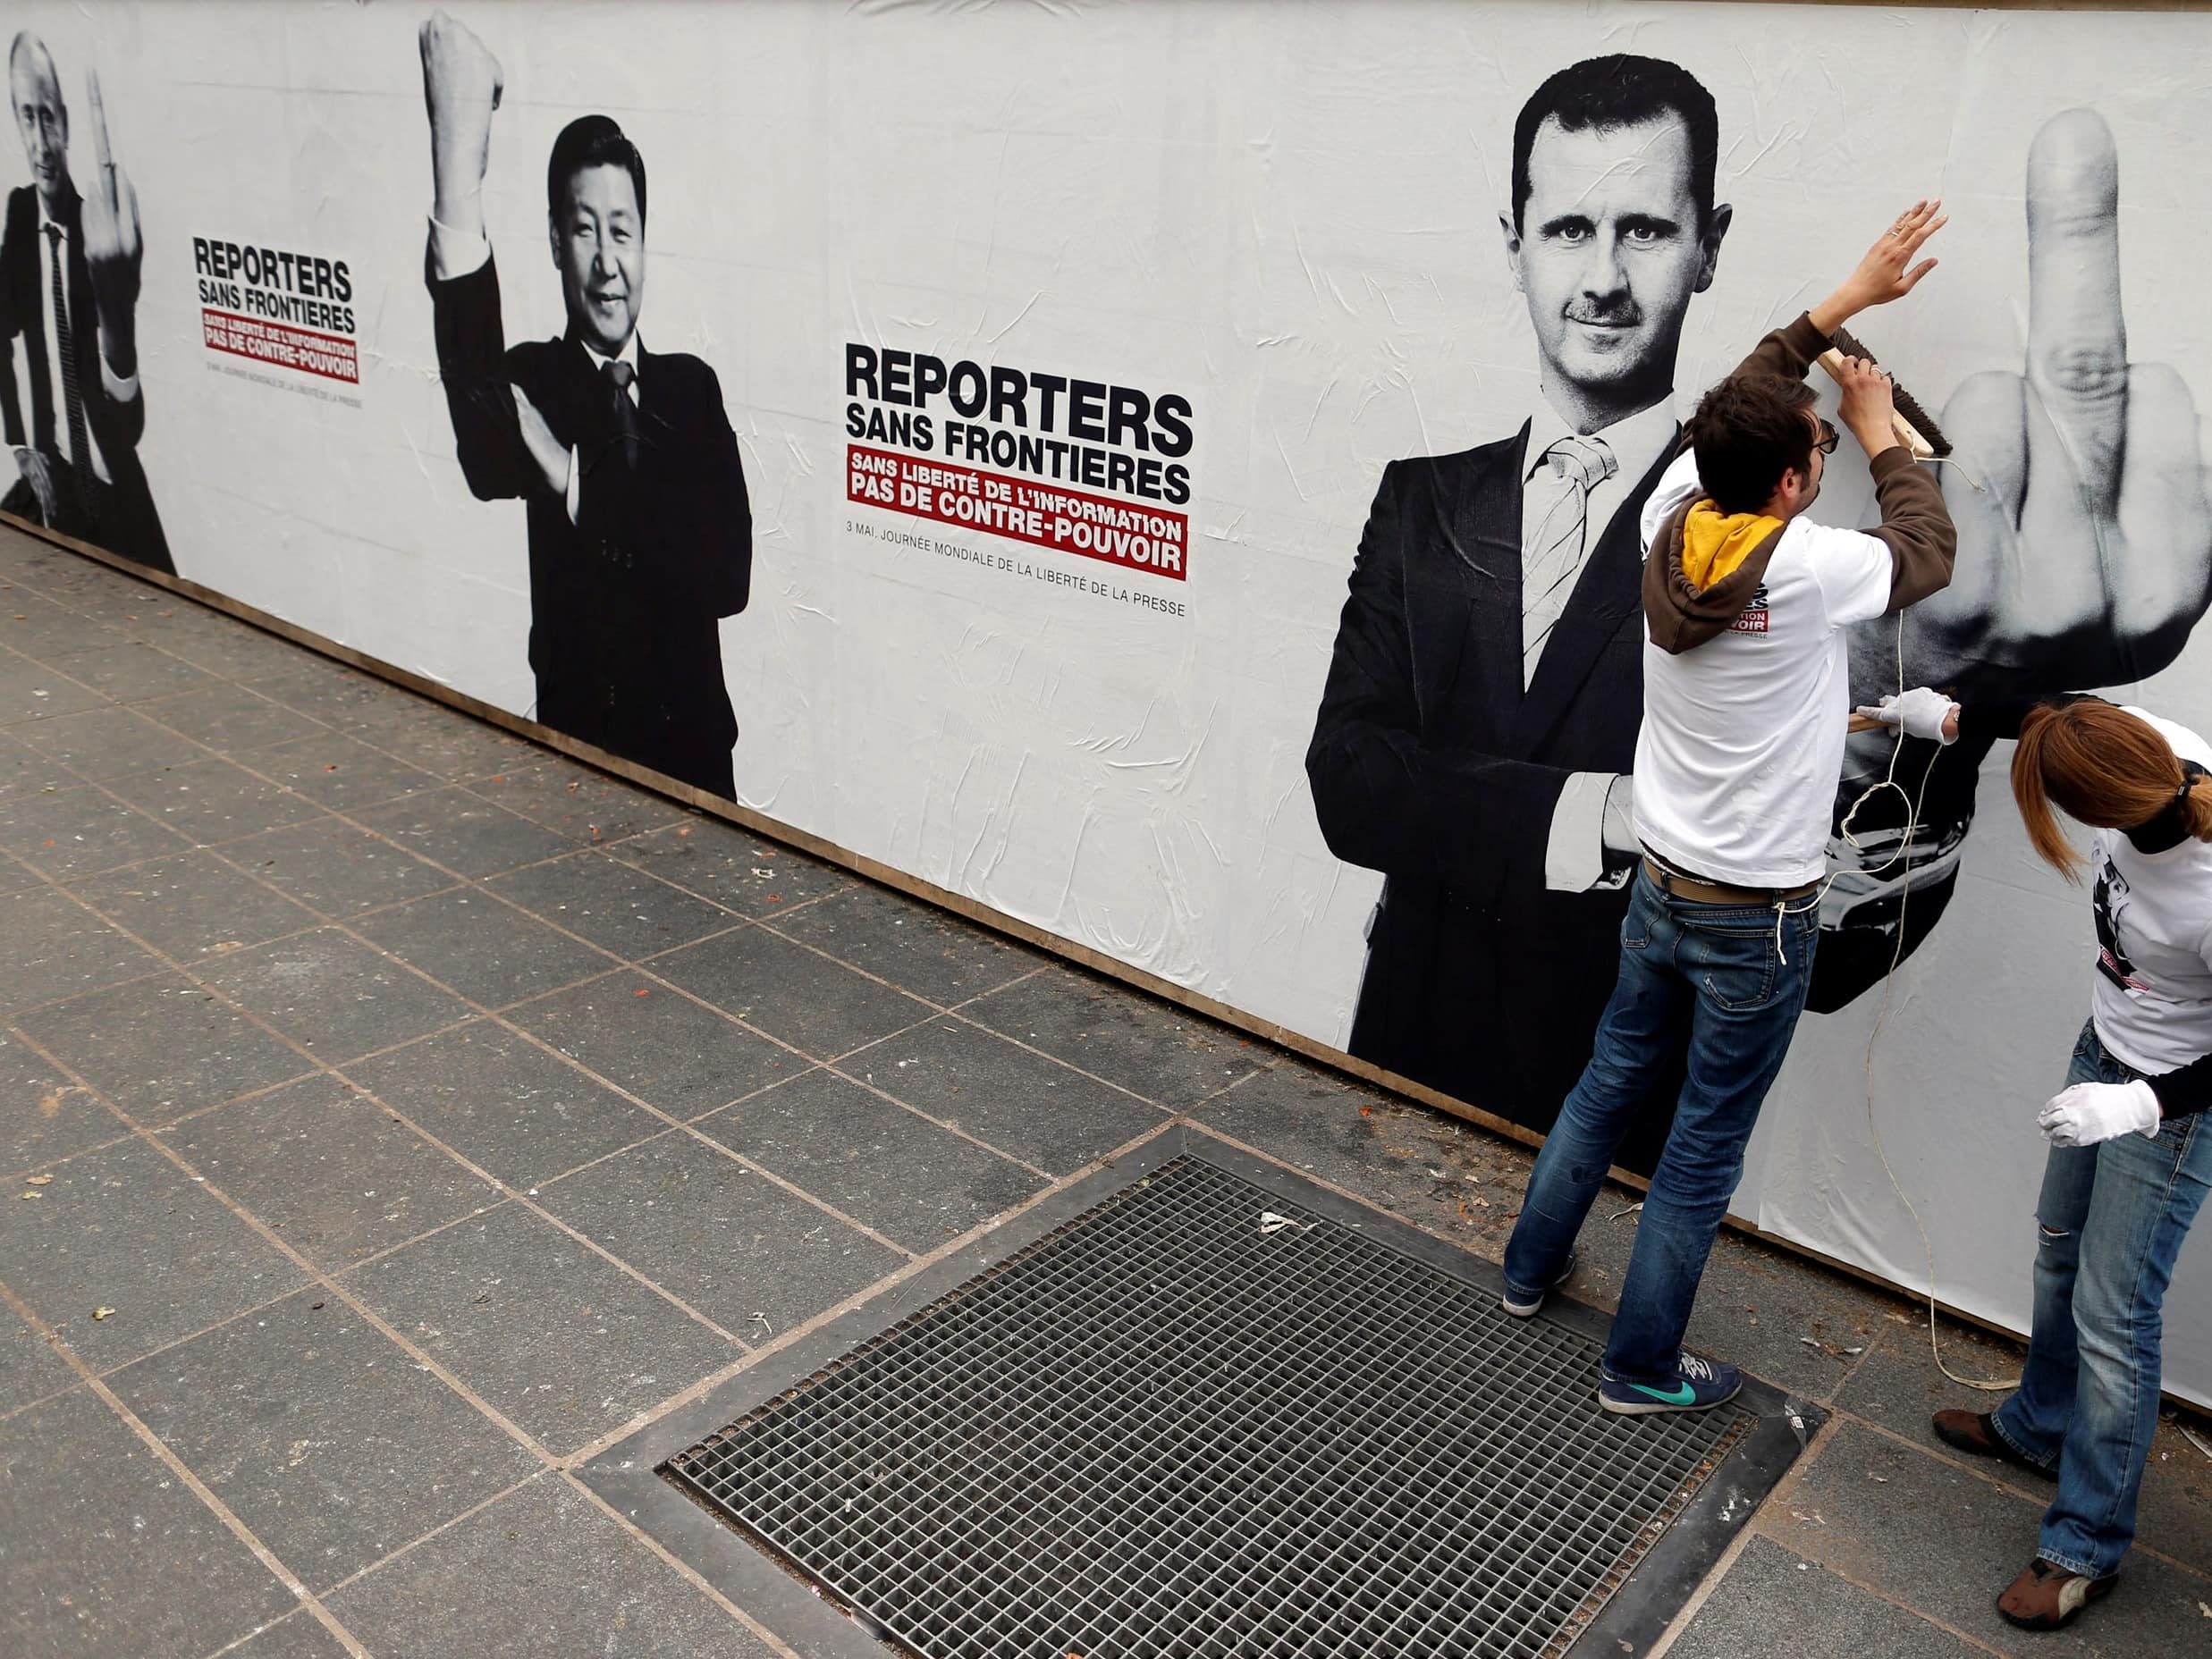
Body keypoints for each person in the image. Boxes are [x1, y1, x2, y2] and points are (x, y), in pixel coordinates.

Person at [1498, 203, 1959, 1415]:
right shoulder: (1808, 568)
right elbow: (1924, 551)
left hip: (1658, 882)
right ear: (1800, 483)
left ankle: (1526, 1272)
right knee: (1699, 1149)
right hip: (1756, 916)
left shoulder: (1665, 520)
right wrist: (1885, 434)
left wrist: (1842, 302)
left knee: (1605, 1081)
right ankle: (1638, 1368)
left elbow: (1741, 395)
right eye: (1818, 451)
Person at [1306, 55, 1731, 1160]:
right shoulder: (1421, 499)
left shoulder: (1754, 538)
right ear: (1514, 246)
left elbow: (1791, 900)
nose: (1600, 278)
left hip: (1616, 1094)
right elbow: (1347, 780)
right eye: (1565, 232)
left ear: (1708, 246)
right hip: (1405, 1044)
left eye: (1641, 229)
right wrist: (1600, 814)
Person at [1929, 698, 2212, 1631]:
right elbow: (2044, 709)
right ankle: (2038, 1424)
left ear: (2109, 812)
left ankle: (2086, 1541)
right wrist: (1935, 715)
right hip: (2104, 1047)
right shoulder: (2145, 743)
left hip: (2169, 1103)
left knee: (2111, 1310)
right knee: (2056, 1245)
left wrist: (2135, 1103)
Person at [418, 11, 751, 800]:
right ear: (556, 243)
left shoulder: (691, 390)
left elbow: (726, 575)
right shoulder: (533, 379)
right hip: (583, 773)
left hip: (702, 776)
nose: (607, 263)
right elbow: (481, 450)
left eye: (623, 232)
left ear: (645, 242)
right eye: (584, 232)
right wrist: (455, 169)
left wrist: (574, 480)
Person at [0, 33, 168, 572]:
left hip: (115, 492)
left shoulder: (99, 233)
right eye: (26, 117)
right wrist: (20, 444)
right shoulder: (21, 215)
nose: (41, 140)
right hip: (57, 483)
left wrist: (118, 312)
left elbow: (129, 425)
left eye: (48, 116)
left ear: (67, 124)